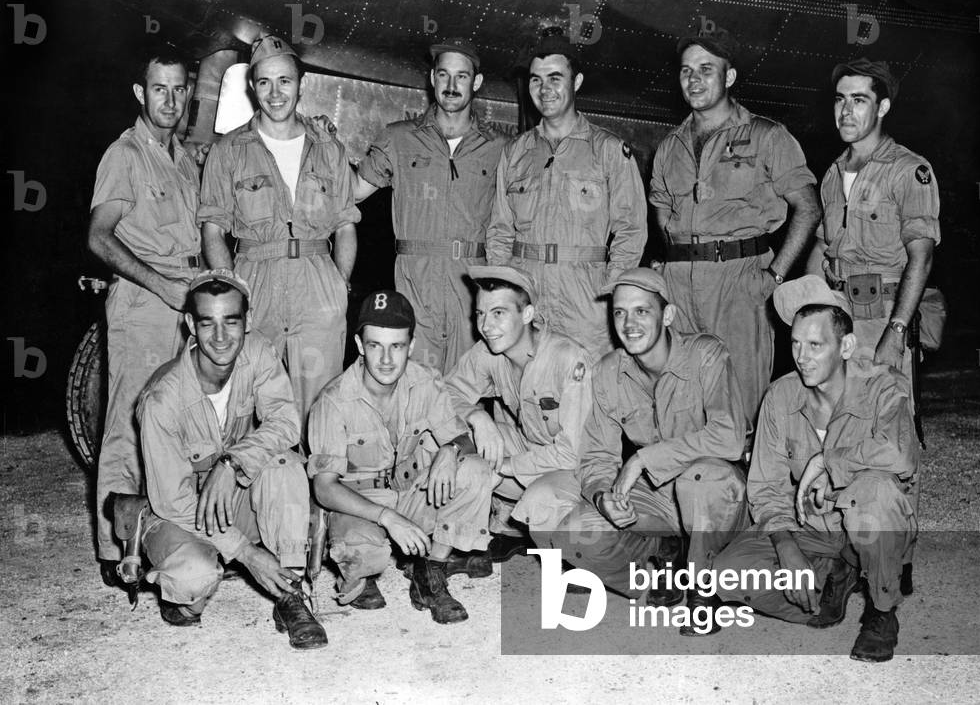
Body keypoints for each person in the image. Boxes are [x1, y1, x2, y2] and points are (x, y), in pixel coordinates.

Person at [529, 268, 747, 634]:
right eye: (619, 312)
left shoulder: (706, 355)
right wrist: (602, 497)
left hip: (717, 499)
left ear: (668, 316)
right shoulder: (609, 371)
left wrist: (645, 458)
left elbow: (728, 438)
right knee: (574, 532)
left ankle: (702, 589)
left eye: (641, 311)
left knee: (699, 477)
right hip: (660, 500)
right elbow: (597, 456)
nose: (628, 323)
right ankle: (655, 567)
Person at [714, 275, 919, 663]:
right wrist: (786, 547)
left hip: (867, 522)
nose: (801, 357)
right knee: (726, 572)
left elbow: (900, 454)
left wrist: (828, 460)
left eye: (814, 345)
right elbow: (766, 488)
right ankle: (831, 578)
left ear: (845, 346)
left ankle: (881, 611)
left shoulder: (884, 386)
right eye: (795, 343)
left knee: (874, 492)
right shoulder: (780, 396)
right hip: (812, 530)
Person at [136, 269, 326, 649]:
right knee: (195, 576)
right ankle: (185, 592)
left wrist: (233, 463)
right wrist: (246, 552)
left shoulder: (258, 353)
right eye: (207, 323)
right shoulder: (162, 400)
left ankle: (290, 591)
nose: (220, 337)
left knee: (284, 464)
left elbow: (286, 422)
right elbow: (173, 500)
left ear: (249, 321)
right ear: (190, 323)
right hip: (179, 512)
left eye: (231, 321)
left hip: (231, 497)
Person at [649, 28, 820, 426]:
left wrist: (774, 276)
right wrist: (674, 260)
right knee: (684, 398)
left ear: (729, 77)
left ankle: (748, 483)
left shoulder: (766, 136)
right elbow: (660, 207)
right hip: (680, 284)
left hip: (739, 282)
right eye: (686, 70)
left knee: (742, 401)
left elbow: (808, 209)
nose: (694, 80)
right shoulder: (669, 146)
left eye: (706, 69)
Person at [815, 58, 939, 595]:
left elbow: (921, 257)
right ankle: (851, 544)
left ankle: (897, 557)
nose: (846, 109)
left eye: (859, 99)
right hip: (840, 318)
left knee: (890, 436)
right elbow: (824, 248)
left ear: (882, 106)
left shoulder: (910, 169)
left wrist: (896, 329)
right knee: (838, 426)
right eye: (840, 99)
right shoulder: (829, 174)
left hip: (883, 317)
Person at [199, 35, 360, 426]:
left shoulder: (328, 148)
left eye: (285, 81)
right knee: (249, 403)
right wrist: (234, 290)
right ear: (253, 87)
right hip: (256, 281)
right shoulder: (230, 150)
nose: (275, 93)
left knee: (321, 410)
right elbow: (213, 230)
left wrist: (339, 285)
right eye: (265, 82)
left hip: (317, 282)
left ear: (300, 84)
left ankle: (314, 485)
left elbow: (345, 225)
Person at [88, 47, 202, 585]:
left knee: (167, 423)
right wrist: (159, 285)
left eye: (180, 89)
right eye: (160, 88)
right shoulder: (126, 154)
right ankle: (115, 550)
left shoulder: (180, 157)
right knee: (128, 422)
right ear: (141, 93)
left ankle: (159, 536)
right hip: (142, 302)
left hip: (181, 302)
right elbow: (97, 237)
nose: (171, 100)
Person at [308, 290, 492, 624]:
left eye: (397, 346)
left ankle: (429, 569)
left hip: (410, 492)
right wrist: (387, 518)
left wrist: (450, 451)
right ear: (360, 345)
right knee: (367, 556)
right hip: (358, 501)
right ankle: (361, 568)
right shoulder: (333, 401)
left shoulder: (424, 381)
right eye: (375, 345)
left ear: (411, 345)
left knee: (476, 471)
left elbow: (461, 439)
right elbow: (324, 488)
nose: (386, 359)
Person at [487, 28, 647, 358]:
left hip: (585, 306)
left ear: (576, 83)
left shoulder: (609, 151)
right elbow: (500, 233)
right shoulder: (515, 153)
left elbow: (631, 232)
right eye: (536, 80)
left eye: (555, 78)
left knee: (587, 396)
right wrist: (505, 297)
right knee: (524, 395)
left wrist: (611, 295)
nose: (545, 90)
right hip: (528, 300)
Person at [352, 37, 509, 372]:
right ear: (432, 78)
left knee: (467, 390)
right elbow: (351, 191)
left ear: (476, 82)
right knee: (415, 388)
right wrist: (318, 141)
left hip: (471, 285)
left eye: (462, 76)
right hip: (414, 281)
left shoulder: (500, 149)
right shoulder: (398, 138)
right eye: (443, 75)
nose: (451, 86)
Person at [444, 265, 593, 561]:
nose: (486, 326)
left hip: (578, 471)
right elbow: (444, 395)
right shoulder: (489, 350)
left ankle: (582, 550)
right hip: (533, 453)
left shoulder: (568, 358)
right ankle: (456, 541)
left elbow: (572, 454)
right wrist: (478, 417)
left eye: (498, 313)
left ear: (527, 315)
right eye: (480, 314)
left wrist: (503, 466)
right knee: (446, 442)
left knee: (541, 500)